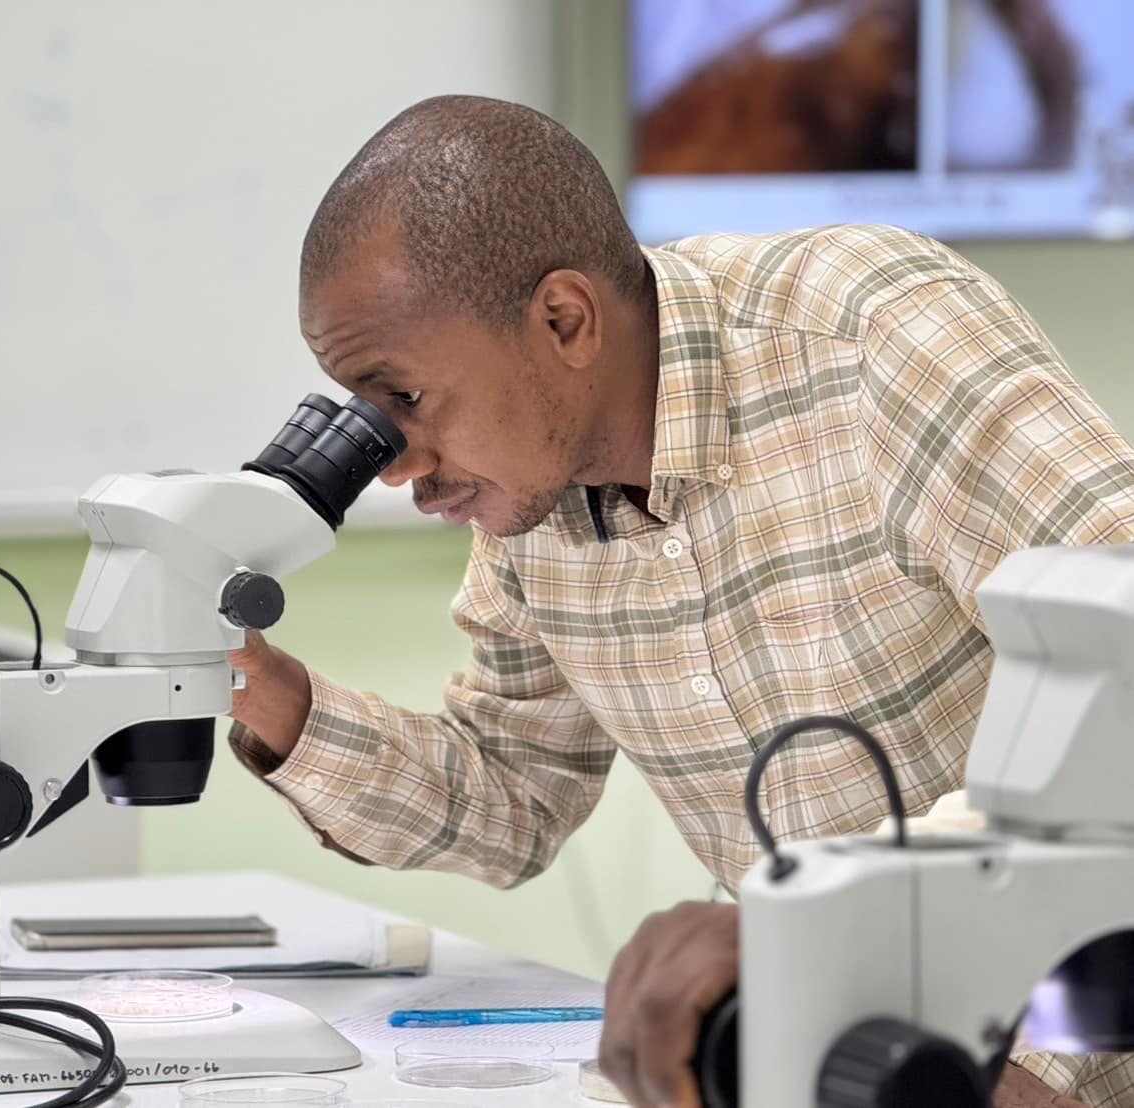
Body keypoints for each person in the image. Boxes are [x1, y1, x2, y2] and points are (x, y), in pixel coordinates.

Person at [227, 94, 1134, 1106]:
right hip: (869, 1058)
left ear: (563, 320)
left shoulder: (874, 335)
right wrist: (265, 694)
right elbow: (512, 797)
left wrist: (895, 963)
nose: (395, 466)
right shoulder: (532, 505)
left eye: (404, 400)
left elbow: (1129, 676)